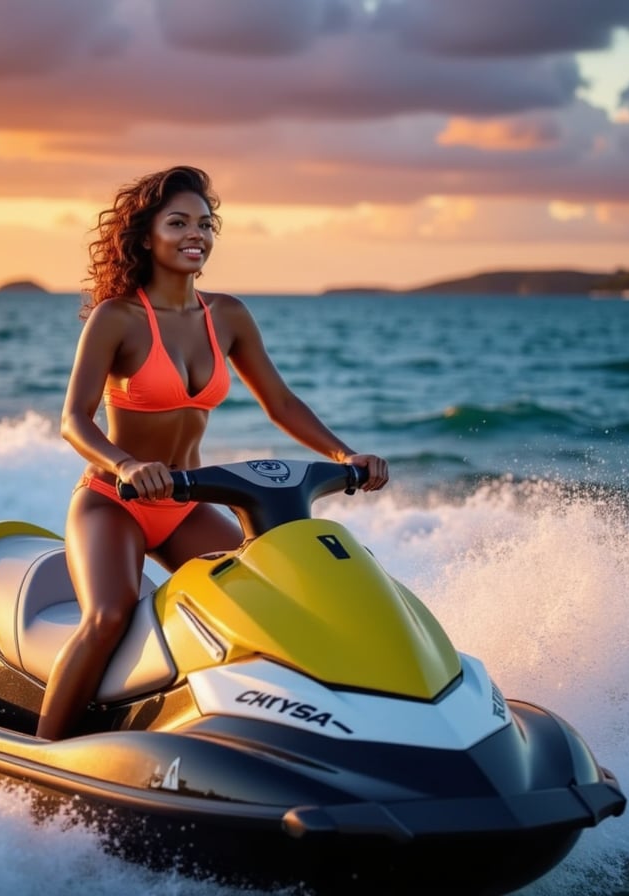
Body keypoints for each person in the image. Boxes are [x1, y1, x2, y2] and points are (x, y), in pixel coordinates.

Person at [37, 165, 389, 740]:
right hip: (114, 500)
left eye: (204, 223)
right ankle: (43, 753)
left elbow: (279, 401)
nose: (195, 234)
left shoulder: (226, 315)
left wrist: (347, 454)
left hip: (185, 504)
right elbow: (73, 421)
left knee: (274, 599)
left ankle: (307, 733)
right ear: (146, 235)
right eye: (178, 222)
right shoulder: (117, 318)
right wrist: (125, 465)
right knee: (108, 615)